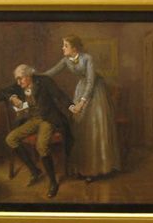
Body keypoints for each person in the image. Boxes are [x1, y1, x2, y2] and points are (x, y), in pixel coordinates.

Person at [43, 35, 121, 182]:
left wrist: (82, 102)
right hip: (81, 88)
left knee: (93, 127)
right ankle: (83, 167)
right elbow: (50, 73)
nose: (63, 48)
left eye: (65, 45)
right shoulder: (66, 60)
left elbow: (91, 81)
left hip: (95, 91)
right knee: (79, 127)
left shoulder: (87, 58)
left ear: (74, 48)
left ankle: (96, 169)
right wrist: (33, 76)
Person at [0, 64, 74, 198]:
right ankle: (35, 170)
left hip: (48, 119)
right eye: (17, 79)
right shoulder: (19, 86)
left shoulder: (44, 81)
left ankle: (53, 182)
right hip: (33, 120)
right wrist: (12, 97)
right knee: (11, 139)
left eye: (20, 79)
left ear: (29, 76)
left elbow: (60, 95)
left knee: (41, 146)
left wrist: (71, 106)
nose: (18, 83)